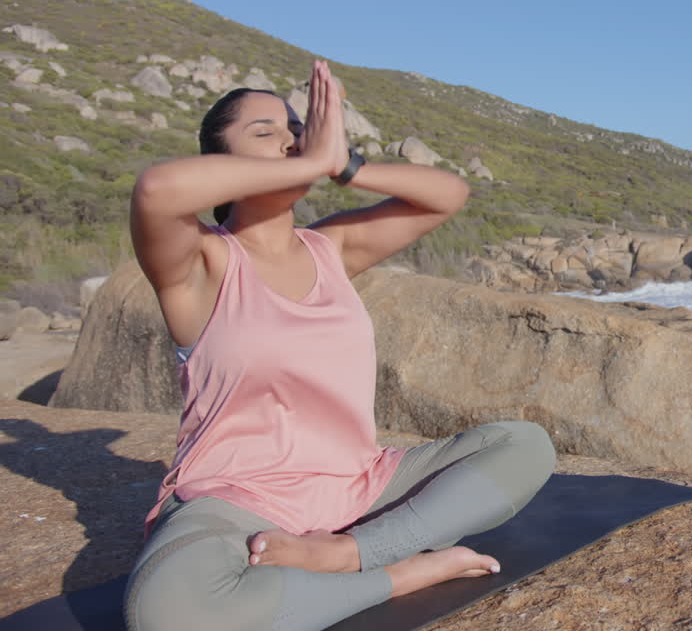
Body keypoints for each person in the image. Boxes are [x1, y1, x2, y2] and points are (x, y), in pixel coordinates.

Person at [124, 59, 555, 631]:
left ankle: (351, 557)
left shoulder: (332, 247)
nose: (290, 141)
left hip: (360, 487)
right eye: (266, 132)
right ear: (221, 163)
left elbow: (448, 194)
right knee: (167, 612)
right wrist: (310, 159)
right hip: (240, 501)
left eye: (296, 131)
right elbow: (156, 190)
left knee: (524, 445)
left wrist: (346, 165)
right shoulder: (201, 264)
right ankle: (402, 572)